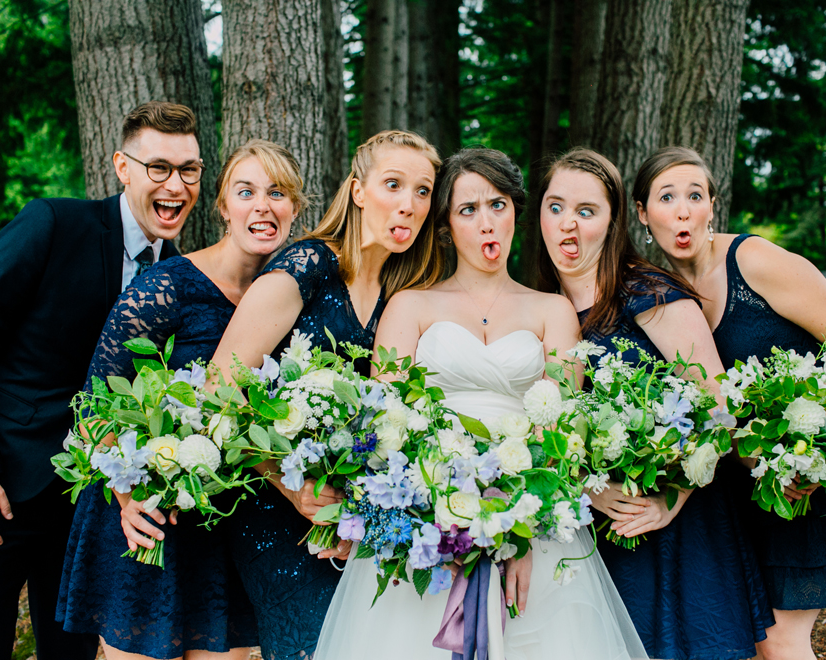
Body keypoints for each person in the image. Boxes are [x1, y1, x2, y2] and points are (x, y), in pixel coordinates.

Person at [314, 147, 649, 660]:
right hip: (426, 520)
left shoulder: (552, 312)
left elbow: (562, 429)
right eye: (468, 210)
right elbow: (388, 422)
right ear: (446, 226)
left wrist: (515, 534)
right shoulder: (411, 305)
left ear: (517, 211)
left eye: (498, 205)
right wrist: (441, 517)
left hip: (531, 517)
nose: (487, 222)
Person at [0, 101, 201, 660]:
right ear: (122, 167)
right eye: (159, 167)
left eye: (189, 170)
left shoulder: (181, 274)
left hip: (91, 511)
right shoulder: (54, 224)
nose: (175, 185)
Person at [634, 146, 826, 660]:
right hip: (740, 490)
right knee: (757, 639)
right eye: (667, 197)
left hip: (802, 480)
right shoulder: (660, 292)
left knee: (780, 642)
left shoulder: (752, 260)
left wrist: (814, 439)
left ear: (713, 206)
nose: (683, 209)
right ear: (644, 214)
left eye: (695, 195)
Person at [56, 139, 306, 659]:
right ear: (222, 207)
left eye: (277, 193)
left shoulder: (293, 299)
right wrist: (128, 495)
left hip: (232, 530)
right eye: (246, 191)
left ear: (295, 210)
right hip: (153, 523)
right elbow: (92, 404)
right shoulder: (165, 286)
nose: (262, 205)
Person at [209, 130, 442, 660]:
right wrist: (293, 488)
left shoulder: (401, 295)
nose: (409, 205)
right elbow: (220, 387)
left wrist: (357, 511)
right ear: (358, 191)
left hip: (353, 519)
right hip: (274, 508)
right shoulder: (308, 266)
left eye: (423, 191)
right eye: (393, 184)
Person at [536, 148, 775, 660]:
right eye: (556, 207)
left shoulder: (649, 293)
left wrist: (675, 496)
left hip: (679, 526)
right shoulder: (536, 307)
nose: (568, 226)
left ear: (614, 220)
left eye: (586, 211)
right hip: (590, 528)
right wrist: (586, 489)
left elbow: (718, 407)